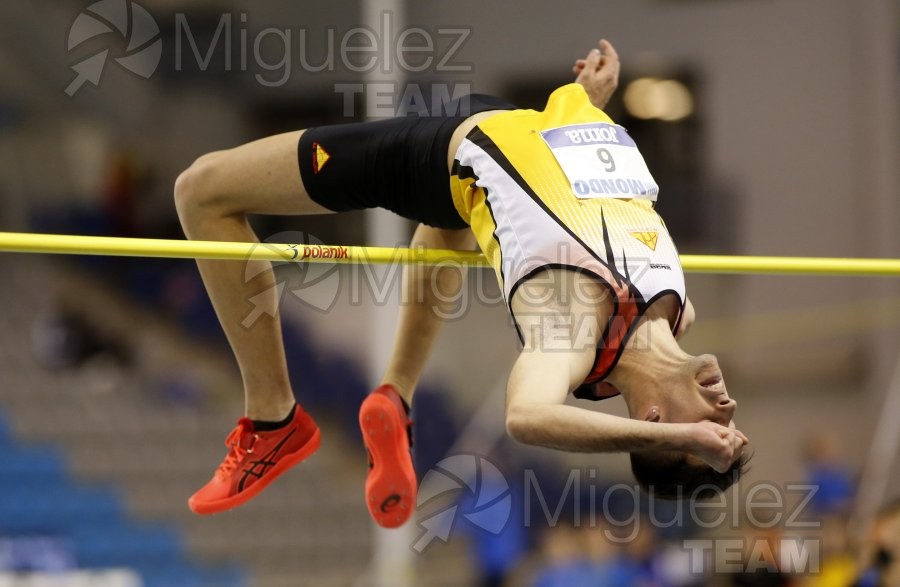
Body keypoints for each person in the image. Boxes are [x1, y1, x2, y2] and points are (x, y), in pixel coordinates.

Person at [174, 39, 749, 527]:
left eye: (710, 429)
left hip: (438, 154)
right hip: (524, 120)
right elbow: (586, 193)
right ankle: (396, 393)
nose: (727, 408)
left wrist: (663, 443)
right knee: (453, 226)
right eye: (730, 424)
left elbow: (526, 417)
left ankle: (274, 419)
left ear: (653, 423)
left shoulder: (572, 333)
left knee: (201, 191)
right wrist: (585, 101)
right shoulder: (677, 312)